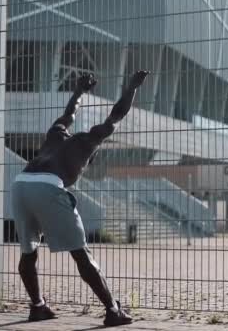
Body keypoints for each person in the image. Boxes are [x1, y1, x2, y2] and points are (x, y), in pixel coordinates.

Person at [11, 70, 150, 326]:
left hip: (20, 184)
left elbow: (69, 113)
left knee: (28, 250)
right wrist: (132, 87)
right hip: (48, 187)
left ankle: (38, 307)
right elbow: (117, 114)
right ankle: (112, 310)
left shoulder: (55, 132)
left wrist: (79, 91)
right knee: (81, 253)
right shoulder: (89, 141)